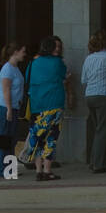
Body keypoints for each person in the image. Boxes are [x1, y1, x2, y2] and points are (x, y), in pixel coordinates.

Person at [27, 35, 68, 180]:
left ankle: (38, 170)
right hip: (54, 104)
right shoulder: (57, 62)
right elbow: (63, 75)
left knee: (38, 138)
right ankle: (47, 170)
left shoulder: (33, 62)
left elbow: (27, 78)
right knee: (51, 137)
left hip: (36, 104)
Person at [81, 30, 106, 173]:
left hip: (89, 95)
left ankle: (94, 161)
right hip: (104, 94)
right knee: (102, 130)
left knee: (96, 129)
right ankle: (99, 164)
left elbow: (83, 80)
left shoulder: (88, 58)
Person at [0, 42, 26, 178]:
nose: (24, 54)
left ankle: (10, 169)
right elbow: (6, 90)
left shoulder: (15, 68)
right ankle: (2, 170)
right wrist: (8, 109)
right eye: (23, 51)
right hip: (4, 107)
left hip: (14, 107)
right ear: (15, 52)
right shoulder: (7, 69)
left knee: (11, 139)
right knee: (4, 138)